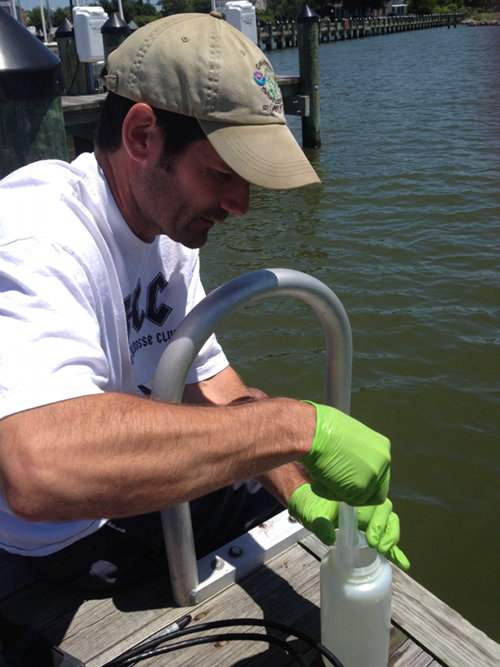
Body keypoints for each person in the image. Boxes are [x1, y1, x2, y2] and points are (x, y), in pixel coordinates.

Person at [0, 13, 409, 592]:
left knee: (318, 555)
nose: (241, 203)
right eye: (222, 172)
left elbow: (210, 387)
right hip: (49, 544)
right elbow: (40, 467)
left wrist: (299, 487)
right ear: (142, 135)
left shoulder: (167, 232)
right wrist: (298, 426)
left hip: (135, 493)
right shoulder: (34, 232)